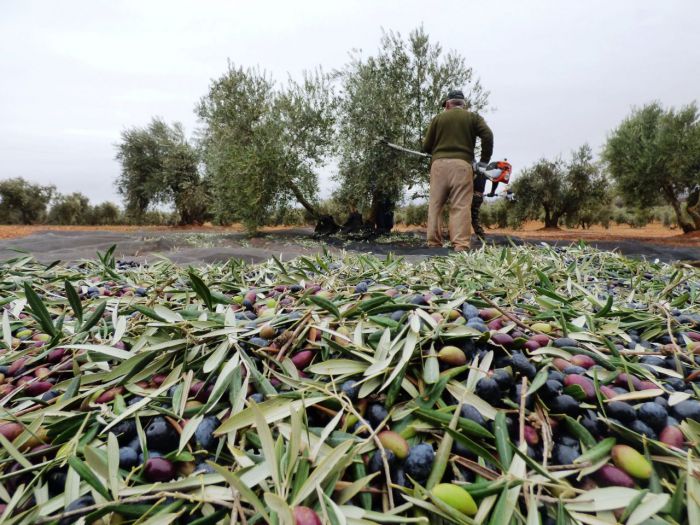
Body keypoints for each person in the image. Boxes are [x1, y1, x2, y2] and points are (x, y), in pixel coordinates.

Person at [422, 89, 493, 250]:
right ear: (463, 104)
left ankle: (434, 244)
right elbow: (488, 135)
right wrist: (483, 162)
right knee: (460, 205)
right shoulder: (473, 118)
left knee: (435, 205)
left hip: (438, 166)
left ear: (448, 104)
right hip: (462, 165)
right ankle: (460, 245)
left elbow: (426, 147)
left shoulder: (438, 118)